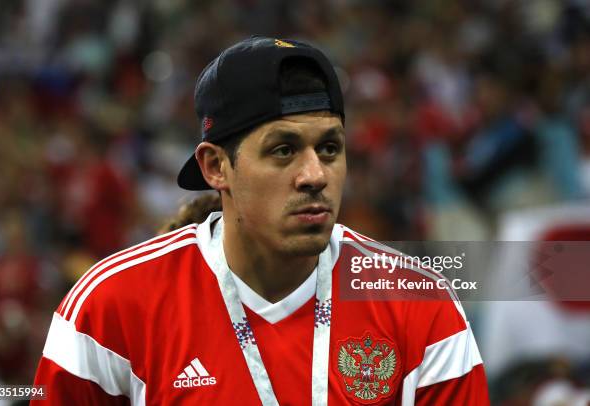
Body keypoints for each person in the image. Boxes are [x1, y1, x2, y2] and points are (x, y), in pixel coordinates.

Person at [32, 36, 489, 405]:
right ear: (215, 168)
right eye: (283, 150)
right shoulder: (110, 307)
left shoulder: (421, 307)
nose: (315, 175)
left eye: (329, 148)